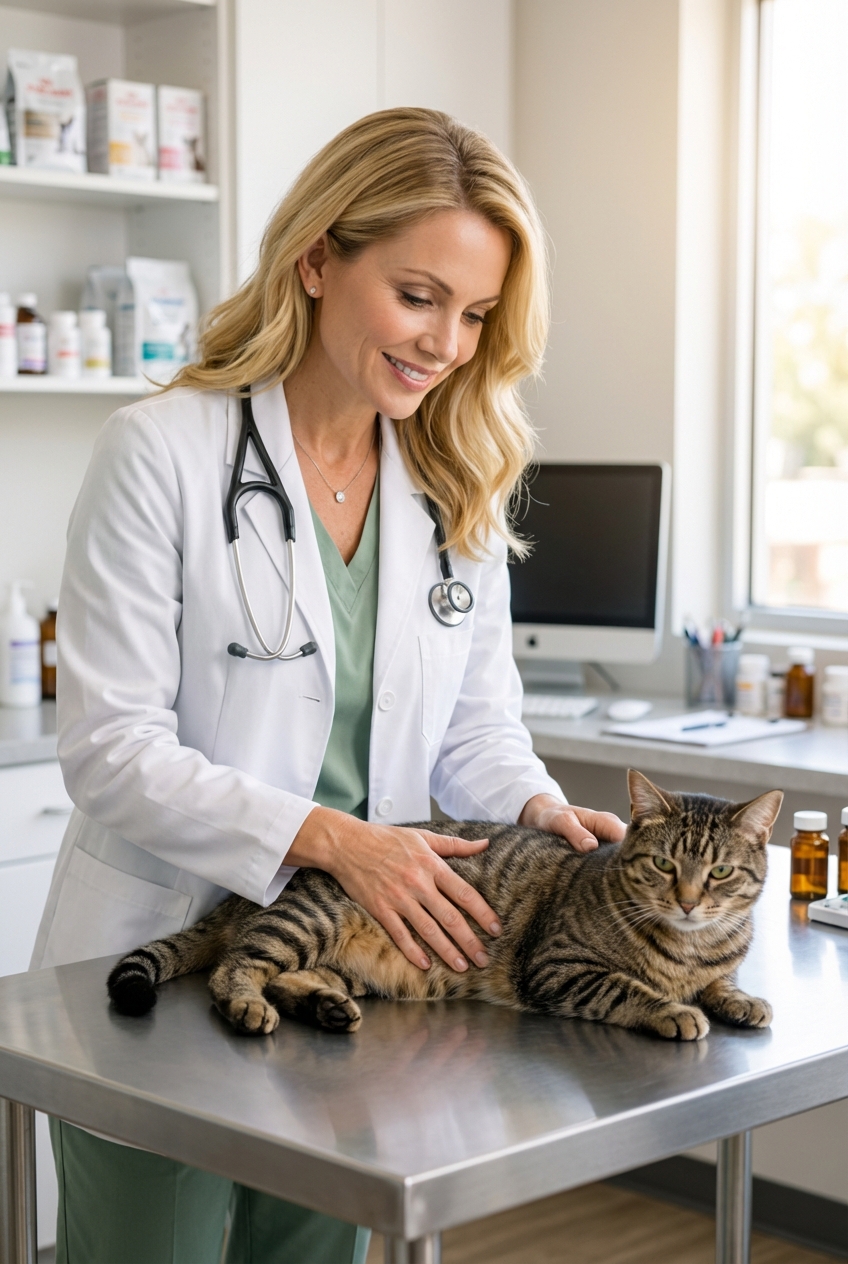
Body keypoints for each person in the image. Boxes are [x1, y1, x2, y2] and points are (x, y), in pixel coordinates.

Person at [32, 107, 626, 1264]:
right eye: (416, 296)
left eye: (475, 314)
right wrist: (338, 841)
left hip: (347, 976)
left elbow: (475, 731)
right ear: (315, 258)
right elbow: (109, 747)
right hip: (160, 959)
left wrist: (535, 810)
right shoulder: (161, 451)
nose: (446, 342)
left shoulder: (456, 480)